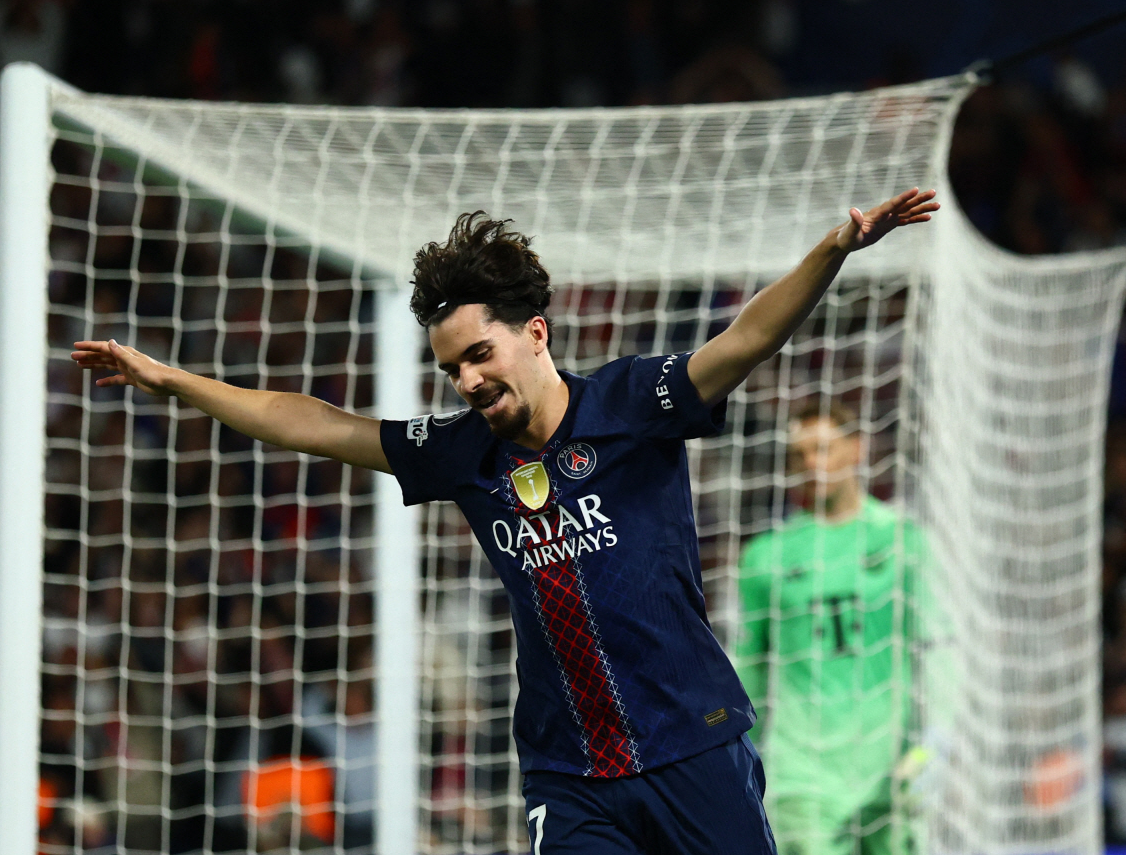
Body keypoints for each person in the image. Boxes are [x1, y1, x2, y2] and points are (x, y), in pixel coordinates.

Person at [73, 187, 939, 854]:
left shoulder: (636, 402)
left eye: (479, 355)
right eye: (451, 369)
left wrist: (835, 248)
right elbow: (316, 424)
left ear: (535, 333)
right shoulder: (462, 455)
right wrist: (174, 382)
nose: (467, 382)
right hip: (570, 775)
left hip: (692, 744)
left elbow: (746, 340)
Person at [735, 404, 928, 855]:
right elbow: (750, 669)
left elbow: (936, 647)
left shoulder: (902, 540)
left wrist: (933, 741)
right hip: (803, 771)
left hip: (888, 765)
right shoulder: (766, 557)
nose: (811, 464)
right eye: (799, 455)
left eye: (822, 449)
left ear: (856, 450)